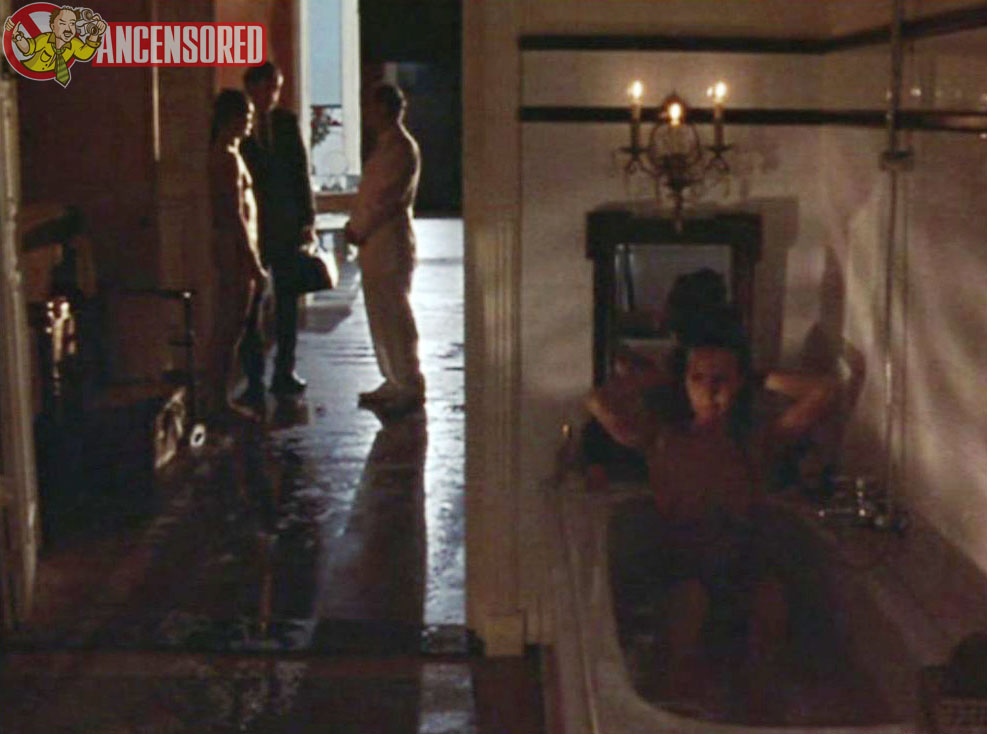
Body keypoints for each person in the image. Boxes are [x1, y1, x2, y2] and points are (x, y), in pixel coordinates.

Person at [586, 307, 837, 708]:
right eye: (698, 378)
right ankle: (676, 696)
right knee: (691, 601)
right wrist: (662, 374)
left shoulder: (755, 442)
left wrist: (757, 376)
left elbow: (825, 391)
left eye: (722, 379)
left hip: (739, 567)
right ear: (684, 384)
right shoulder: (662, 439)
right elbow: (599, 401)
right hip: (680, 569)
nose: (710, 390)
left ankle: (757, 701)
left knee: (771, 598)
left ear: (738, 384)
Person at [344, 83, 424, 415]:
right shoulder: (386, 146)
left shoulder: (402, 149)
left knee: (395, 313)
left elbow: (387, 199)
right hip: (375, 244)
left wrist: (358, 228)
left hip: (388, 241)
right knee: (379, 313)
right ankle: (392, 377)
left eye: (373, 107)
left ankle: (409, 381)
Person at [241, 62, 316, 398]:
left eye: (277, 88)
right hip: (254, 227)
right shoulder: (239, 124)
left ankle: (284, 371)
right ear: (253, 87)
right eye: (269, 87)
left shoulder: (286, 122)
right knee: (251, 306)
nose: (273, 94)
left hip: (285, 225)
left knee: (287, 302)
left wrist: (307, 220)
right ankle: (253, 378)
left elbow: (301, 173)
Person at [207, 89, 268, 421]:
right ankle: (217, 400)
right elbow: (234, 214)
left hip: (234, 249)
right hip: (234, 251)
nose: (249, 123)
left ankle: (218, 397)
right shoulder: (226, 158)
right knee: (229, 327)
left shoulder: (231, 154)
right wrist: (252, 261)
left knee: (233, 325)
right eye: (245, 117)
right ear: (230, 119)